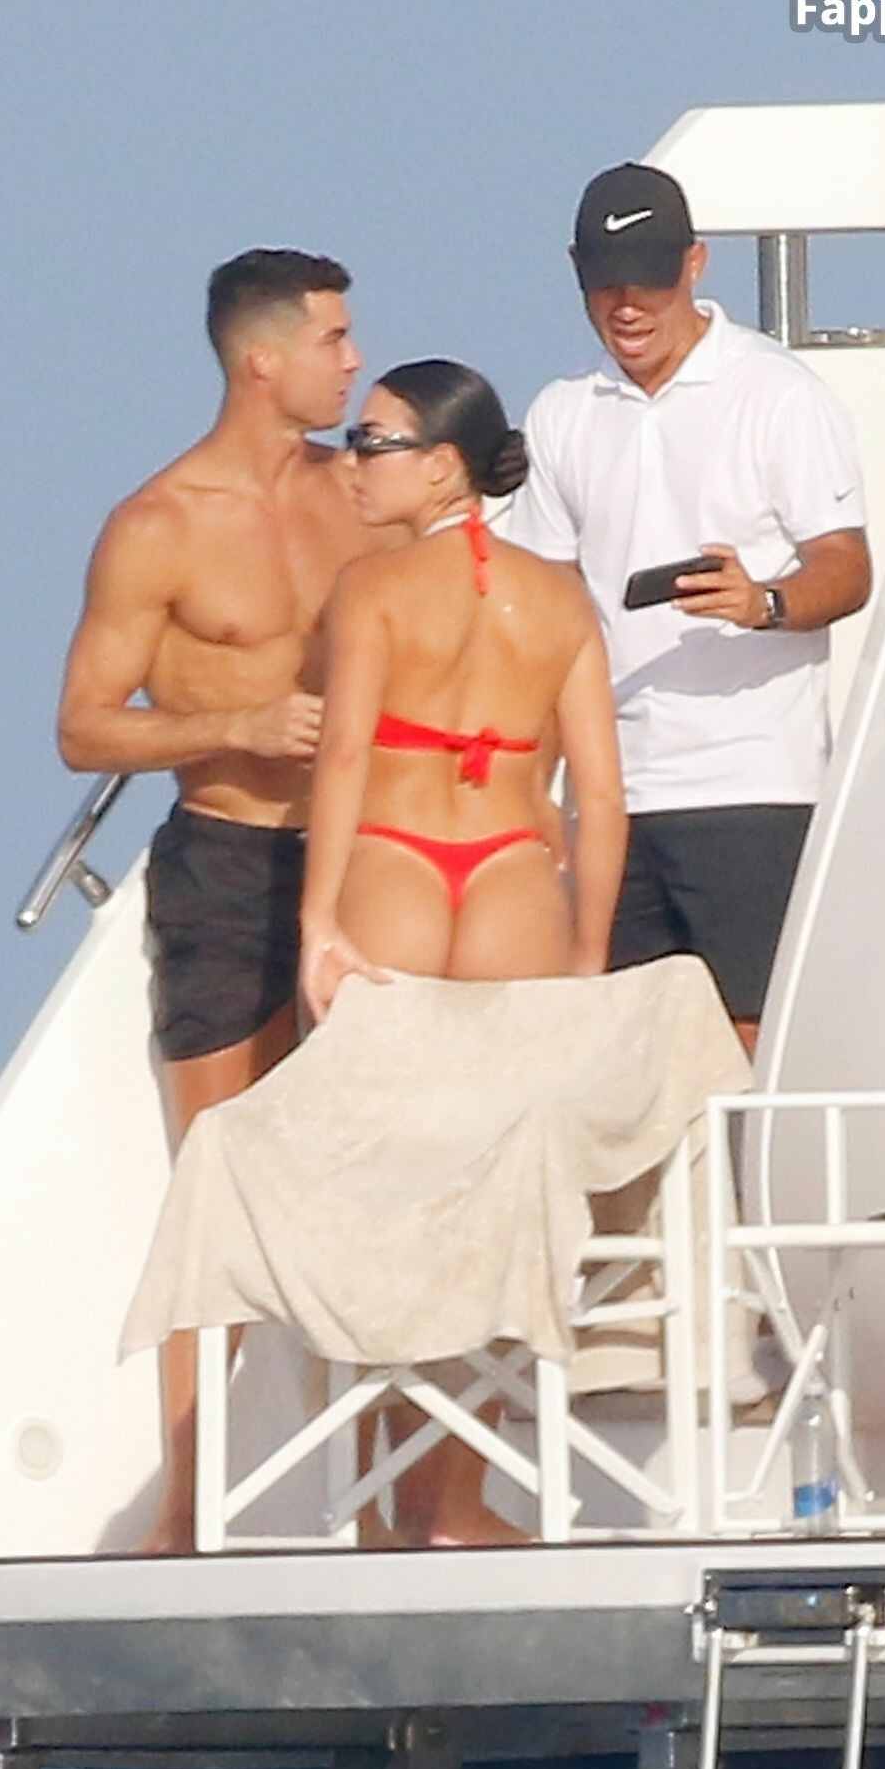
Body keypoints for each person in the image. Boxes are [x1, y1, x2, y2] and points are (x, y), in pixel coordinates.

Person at [57, 247, 384, 1554]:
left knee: (375, 1178)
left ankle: (387, 1505)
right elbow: (84, 725)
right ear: (264, 359)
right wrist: (236, 721)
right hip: (229, 865)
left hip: (368, 864)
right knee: (217, 1193)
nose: (352, 362)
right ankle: (186, 1518)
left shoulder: (359, 492)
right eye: (333, 340)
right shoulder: (158, 524)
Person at [299, 359, 626, 1544]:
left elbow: (343, 758)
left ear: (442, 464)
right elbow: (600, 796)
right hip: (512, 877)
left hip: (393, 859)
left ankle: (379, 1504)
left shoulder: (371, 588)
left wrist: (315, 921)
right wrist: (587, 955)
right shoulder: (559, 597)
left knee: (381, 1195)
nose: (351, 461)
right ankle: (456, 1502)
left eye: (372, 441)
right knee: (492, 1197)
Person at [508, 163, 872, 1054]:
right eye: (607, 282)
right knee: (624, 1041)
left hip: (755, 782)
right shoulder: (561, 411)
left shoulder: (778, 393)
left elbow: (847, 567)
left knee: (752, 1031)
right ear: (577, 273)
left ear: (696, 264)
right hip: (613, 791)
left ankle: (754, 1158)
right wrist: (532, 790)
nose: (629, 304)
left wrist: (764, 601)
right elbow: (546, 618)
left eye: (651, 278)